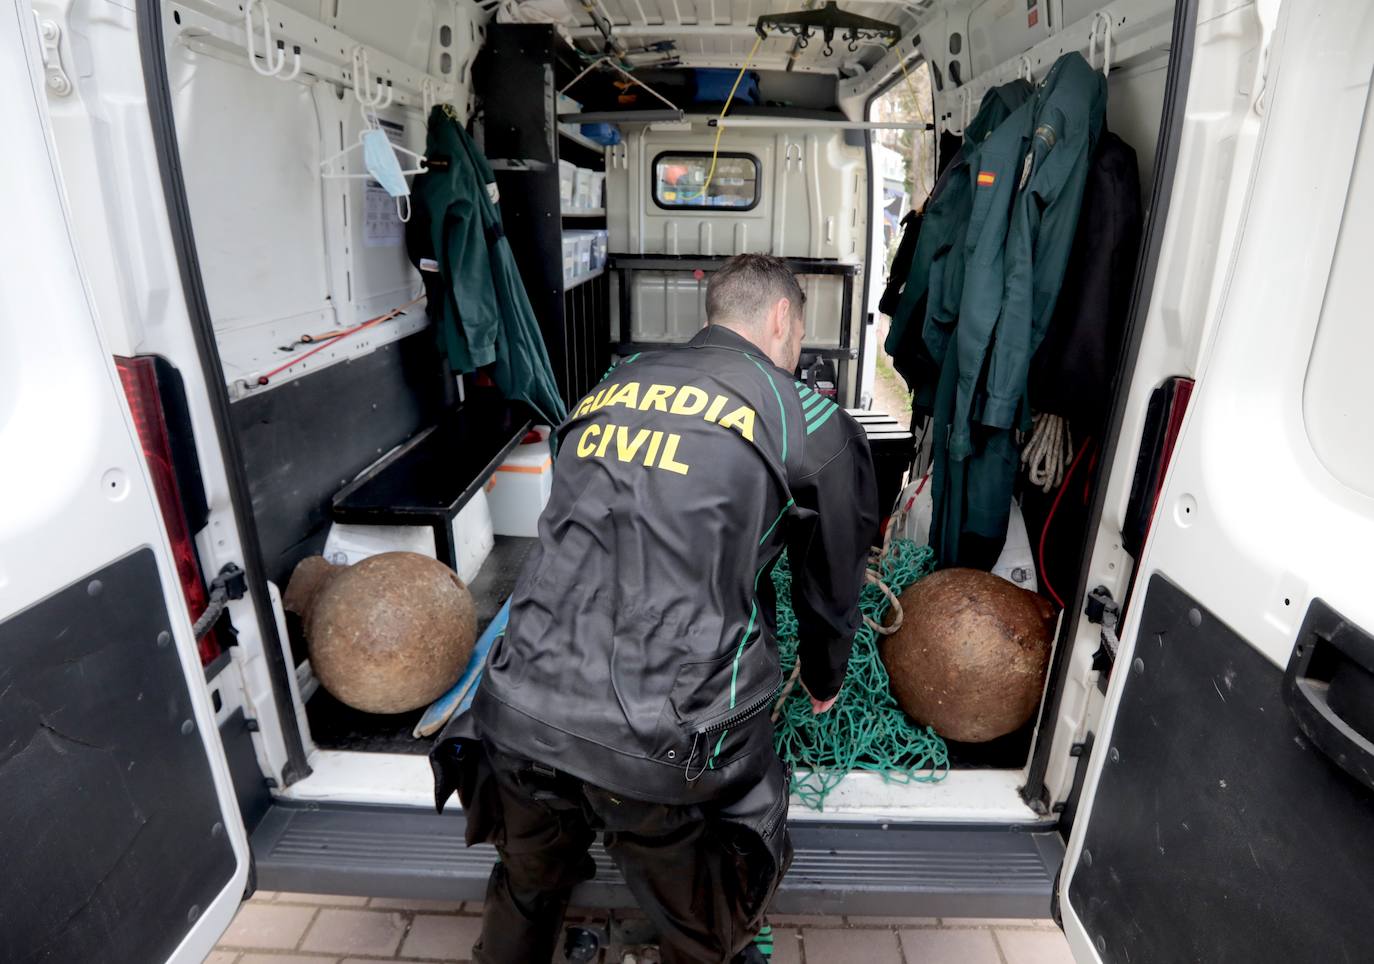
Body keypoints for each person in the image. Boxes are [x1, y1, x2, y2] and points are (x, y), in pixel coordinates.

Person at [431, 253, 879, 963]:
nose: (797, 354)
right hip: (663, 749)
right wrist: (824, 680)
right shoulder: (806, 418)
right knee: (703, 925)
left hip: (518, 708)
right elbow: (831, 583)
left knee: (526, 887)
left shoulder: (610, 386)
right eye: (798, 338)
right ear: (781, 320)